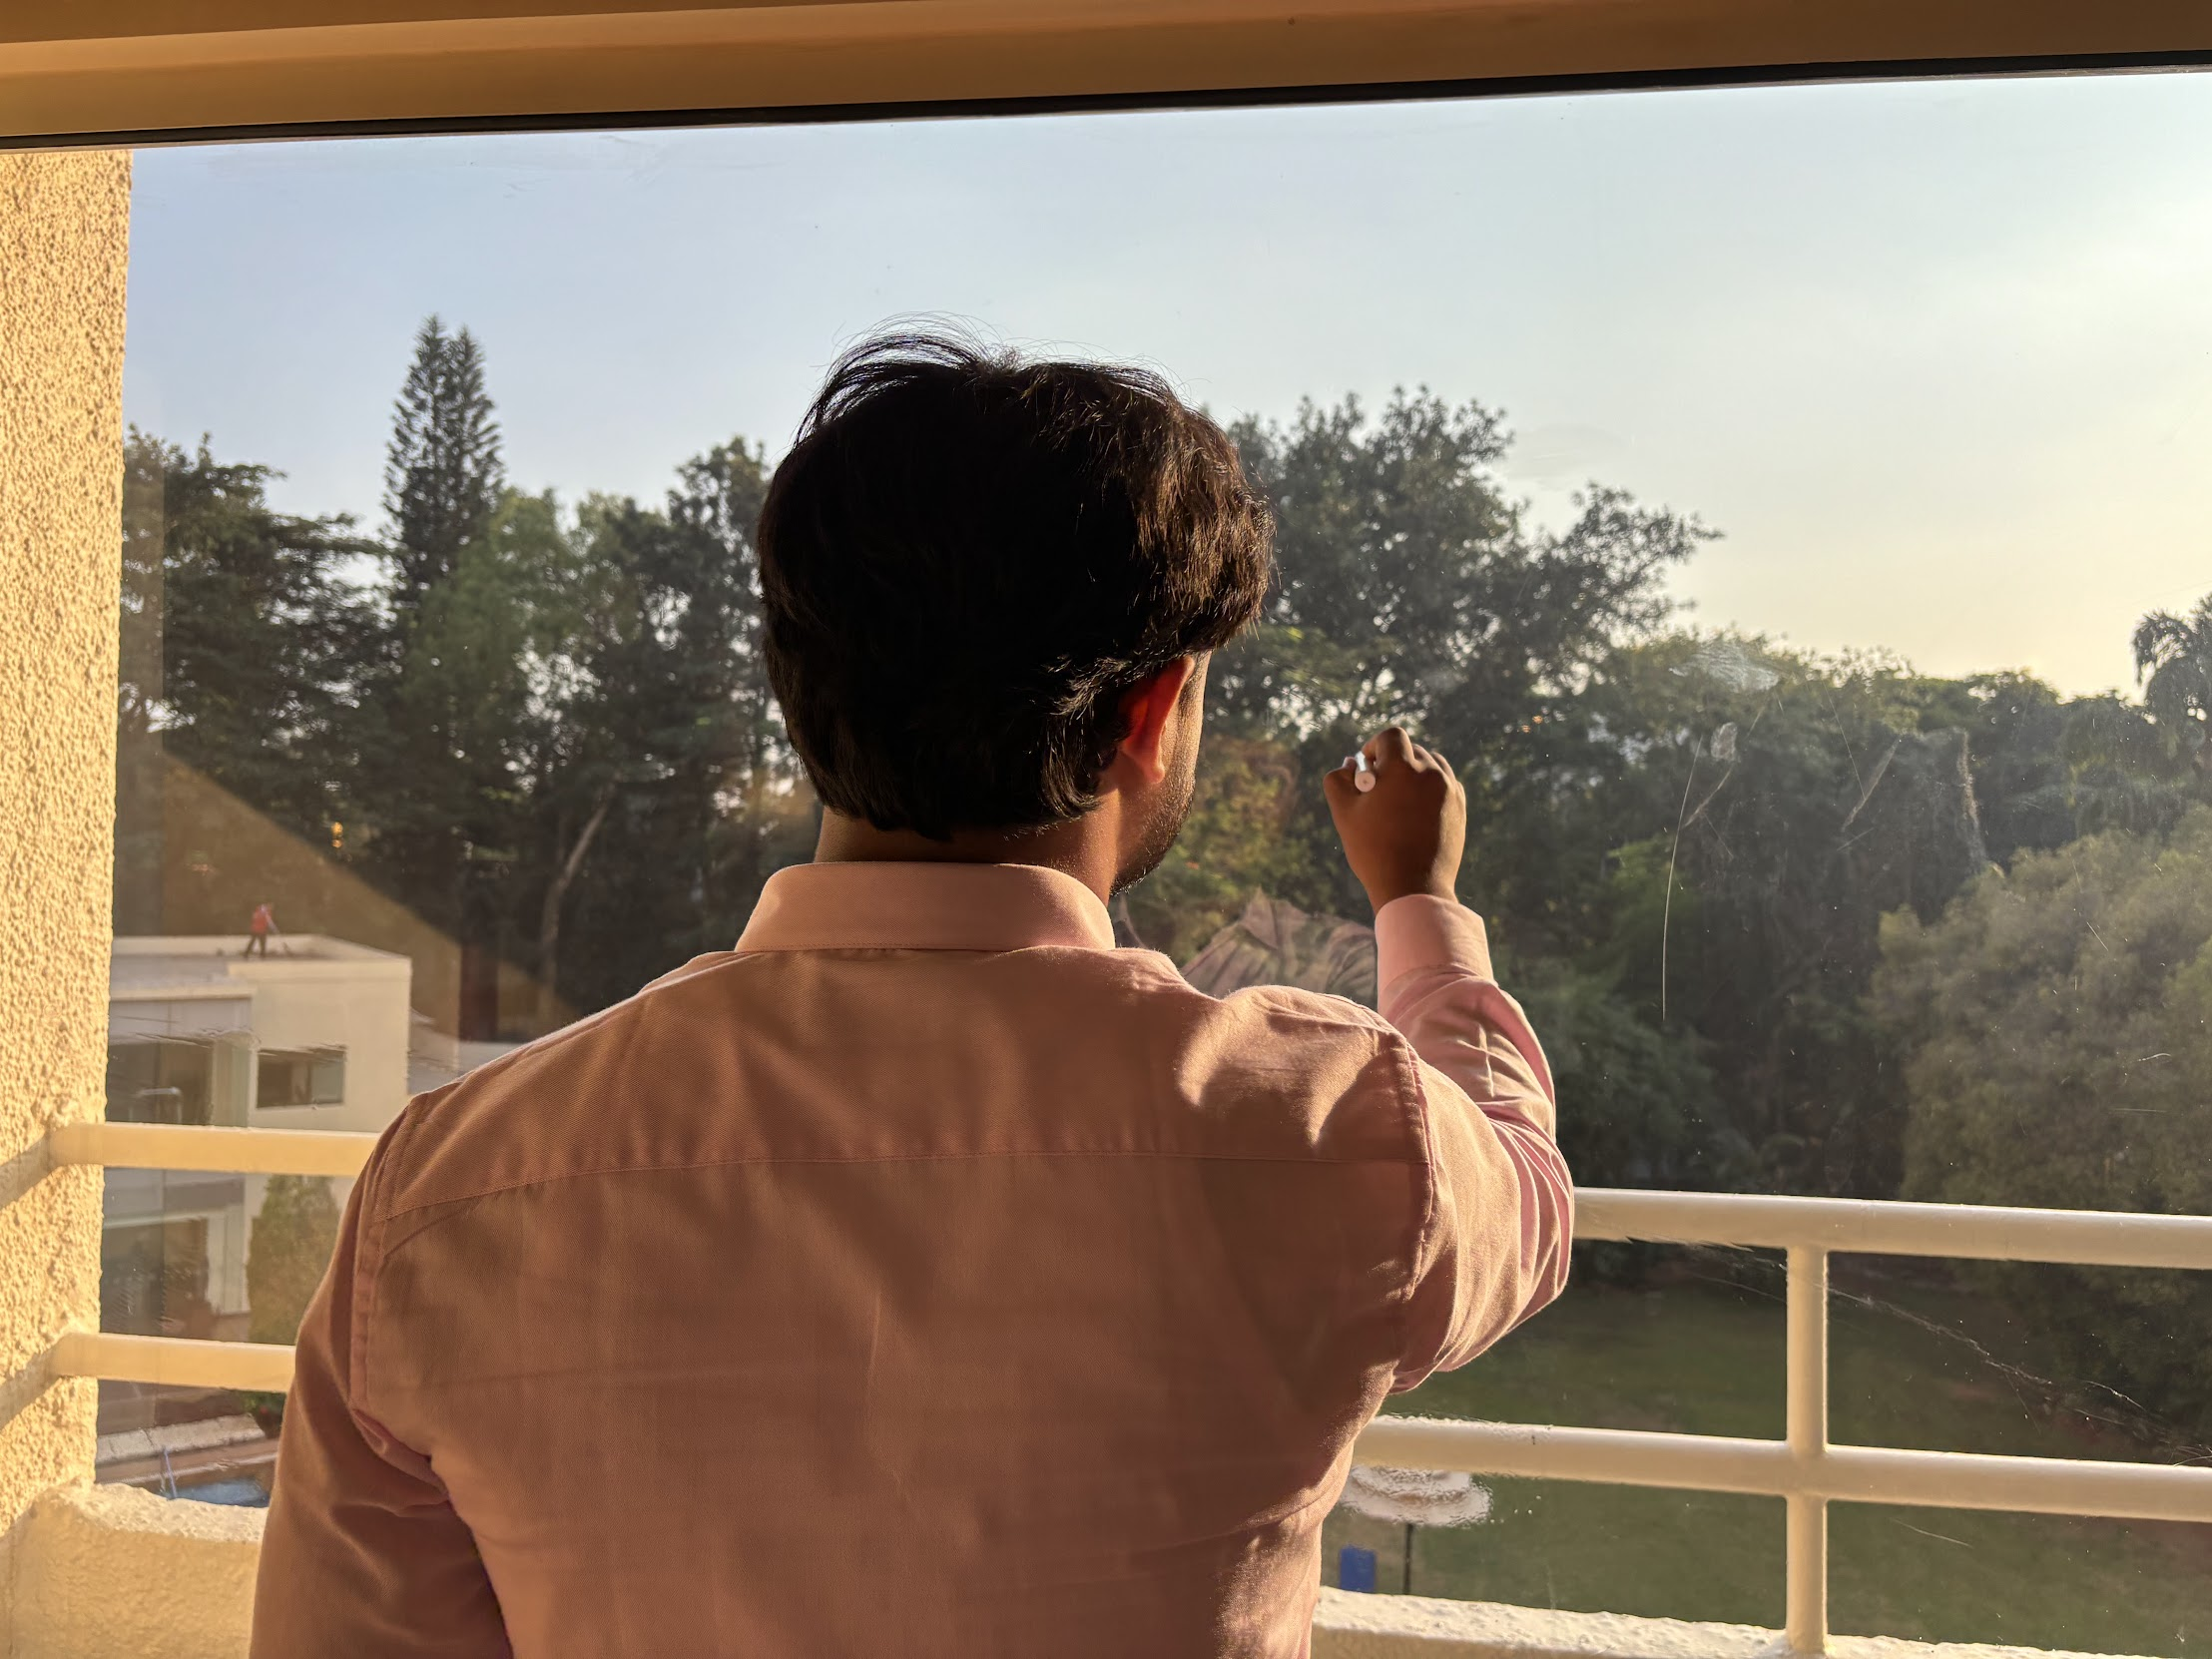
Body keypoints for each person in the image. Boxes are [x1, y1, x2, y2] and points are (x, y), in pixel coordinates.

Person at [252, 332, 1571, 1658]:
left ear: (803, 692)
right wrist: (1420, 899)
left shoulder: (446, 1197)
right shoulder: (1323, 1123)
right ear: (1149, 710)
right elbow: (1524, 1189)